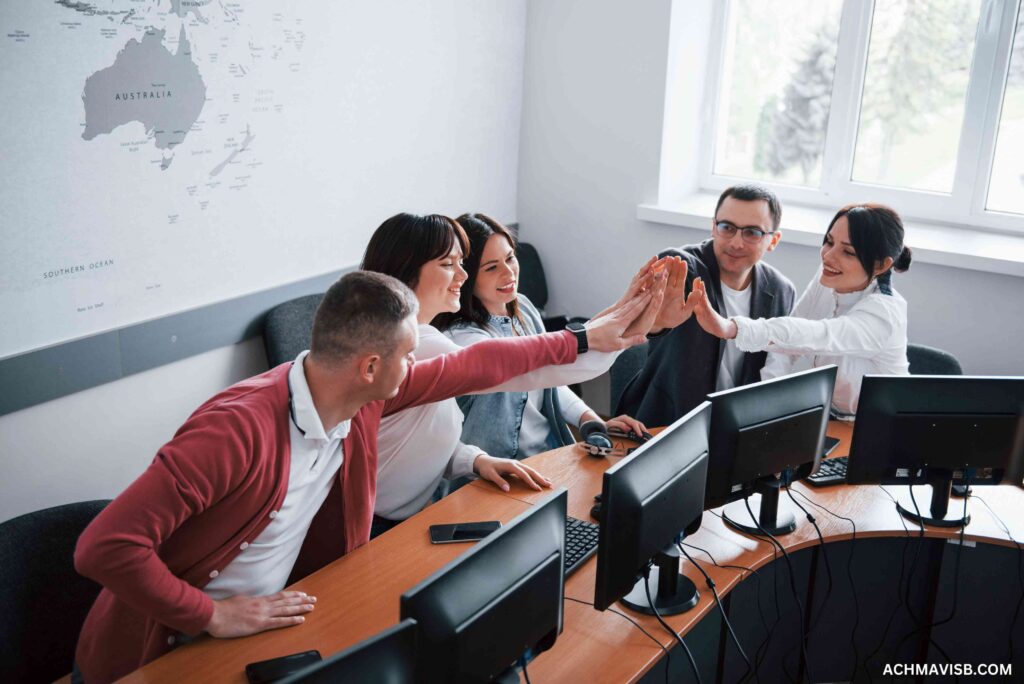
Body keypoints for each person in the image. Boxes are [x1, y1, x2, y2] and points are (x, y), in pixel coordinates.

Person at [73, 269, 663, 683]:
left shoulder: (361, 396)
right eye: (409, 355)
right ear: (371, 365)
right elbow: (103, 548)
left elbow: (474, 364)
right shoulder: (235, 430)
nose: (417, 368)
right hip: (169, 646)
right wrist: (213, 616)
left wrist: (584, 337)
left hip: (269, 624)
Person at [362, 213, 667, 535]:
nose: (462, 274)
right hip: (378, 523)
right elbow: (511, 366)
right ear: (409, 272)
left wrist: (474, 460)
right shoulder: (422, 346)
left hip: (407, 513)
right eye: (449, 264)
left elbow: (420, 434)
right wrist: (626, 318)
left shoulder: (422, 339)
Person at [438, 213, 650, 461]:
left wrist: (591, 422)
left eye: (510, 258)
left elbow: (550, 380)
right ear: (467, 277)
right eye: (492, 267)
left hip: (547, 456)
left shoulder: (523, 308)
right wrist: (616, 326)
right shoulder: (461, 339)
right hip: (494, 473)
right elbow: (540, 372)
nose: (509, 274)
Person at [689, 203, 912, 417]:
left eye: (848, 252)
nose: (828, 256)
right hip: (834, 418)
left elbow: (815, 334)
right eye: (829, 241)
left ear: (881, 265)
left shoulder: (885, 313)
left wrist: (731, 327)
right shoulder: (830, 277)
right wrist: (763, 403)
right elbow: (787, 346)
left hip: (884, 424)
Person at [615, 184, 797, 426]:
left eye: (752, 232)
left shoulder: (781, 290)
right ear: (713, 226)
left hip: (735, 428)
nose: (736, 243)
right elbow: (637, 327)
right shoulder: (679, 266)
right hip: (666, 422)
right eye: (727, 228)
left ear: (773, 240)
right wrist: (655, 323)